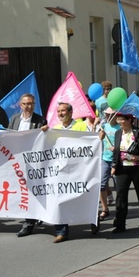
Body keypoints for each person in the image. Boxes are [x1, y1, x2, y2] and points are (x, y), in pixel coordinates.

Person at [110, 113, 139, 233]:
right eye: (118, 119)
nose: (119, 122)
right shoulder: (118, 133)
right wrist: (114, 165)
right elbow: (116, 151)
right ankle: (120, 223)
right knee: (121, 195)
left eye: (122, 119)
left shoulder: (138, 132)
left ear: (129, 120)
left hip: (138, 167)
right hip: (122, 168)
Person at [8, 94, 48, 238]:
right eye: (26, 104)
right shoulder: (14, 119)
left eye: (31, 104)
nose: (29, 106)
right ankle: (34, 215)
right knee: (21, 190)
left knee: (31, 190)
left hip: (33, 160)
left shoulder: (40, 120)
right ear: (20, 105)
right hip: (17, 159)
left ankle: (29, 223)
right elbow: (8, 135)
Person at [51, 102, 88, 243]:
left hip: (80, 169)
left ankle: (92, 220)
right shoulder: (55, 129)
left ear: (71, 113)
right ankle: (61, 231)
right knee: (59, 200)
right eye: (59, 111)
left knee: (83, 197)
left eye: (63, 111)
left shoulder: (81, 126)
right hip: (62, 171)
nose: (60, 114)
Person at [97, 107, 120, 221]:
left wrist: (116, 148)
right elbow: (95, 141)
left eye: (110, 114)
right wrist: (99, 136)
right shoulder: (103, 127)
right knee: (101, 184)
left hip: (117, 160)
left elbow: (125, 142)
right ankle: (105, 209)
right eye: (106, 114)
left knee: (119, 186)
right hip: (104, 159)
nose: (107, 116)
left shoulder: (120, 127)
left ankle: (120, 209)